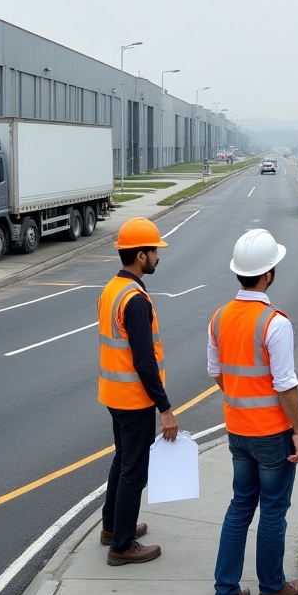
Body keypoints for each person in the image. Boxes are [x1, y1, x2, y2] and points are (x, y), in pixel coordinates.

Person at [207, 228, 298, 595]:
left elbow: (215, 371)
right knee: (273, 510)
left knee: (240, 506)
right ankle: (272, 588)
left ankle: (225, 592)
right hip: (271, 434)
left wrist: (238, 397)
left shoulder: (219, 317)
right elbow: (285, 385)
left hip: (237, 431)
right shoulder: (274, 323)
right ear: (268, 274)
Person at [98, 217, 178, 566]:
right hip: (134, 399)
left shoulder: (112, 289)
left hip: (114, 395)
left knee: (122, 461)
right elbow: (145, 361)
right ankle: (122, 546)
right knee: (134, 471)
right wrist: (165, 407)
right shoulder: (136, 300)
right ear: (140, 255)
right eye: (155, 251)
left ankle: (112, 528)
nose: (158, 256)